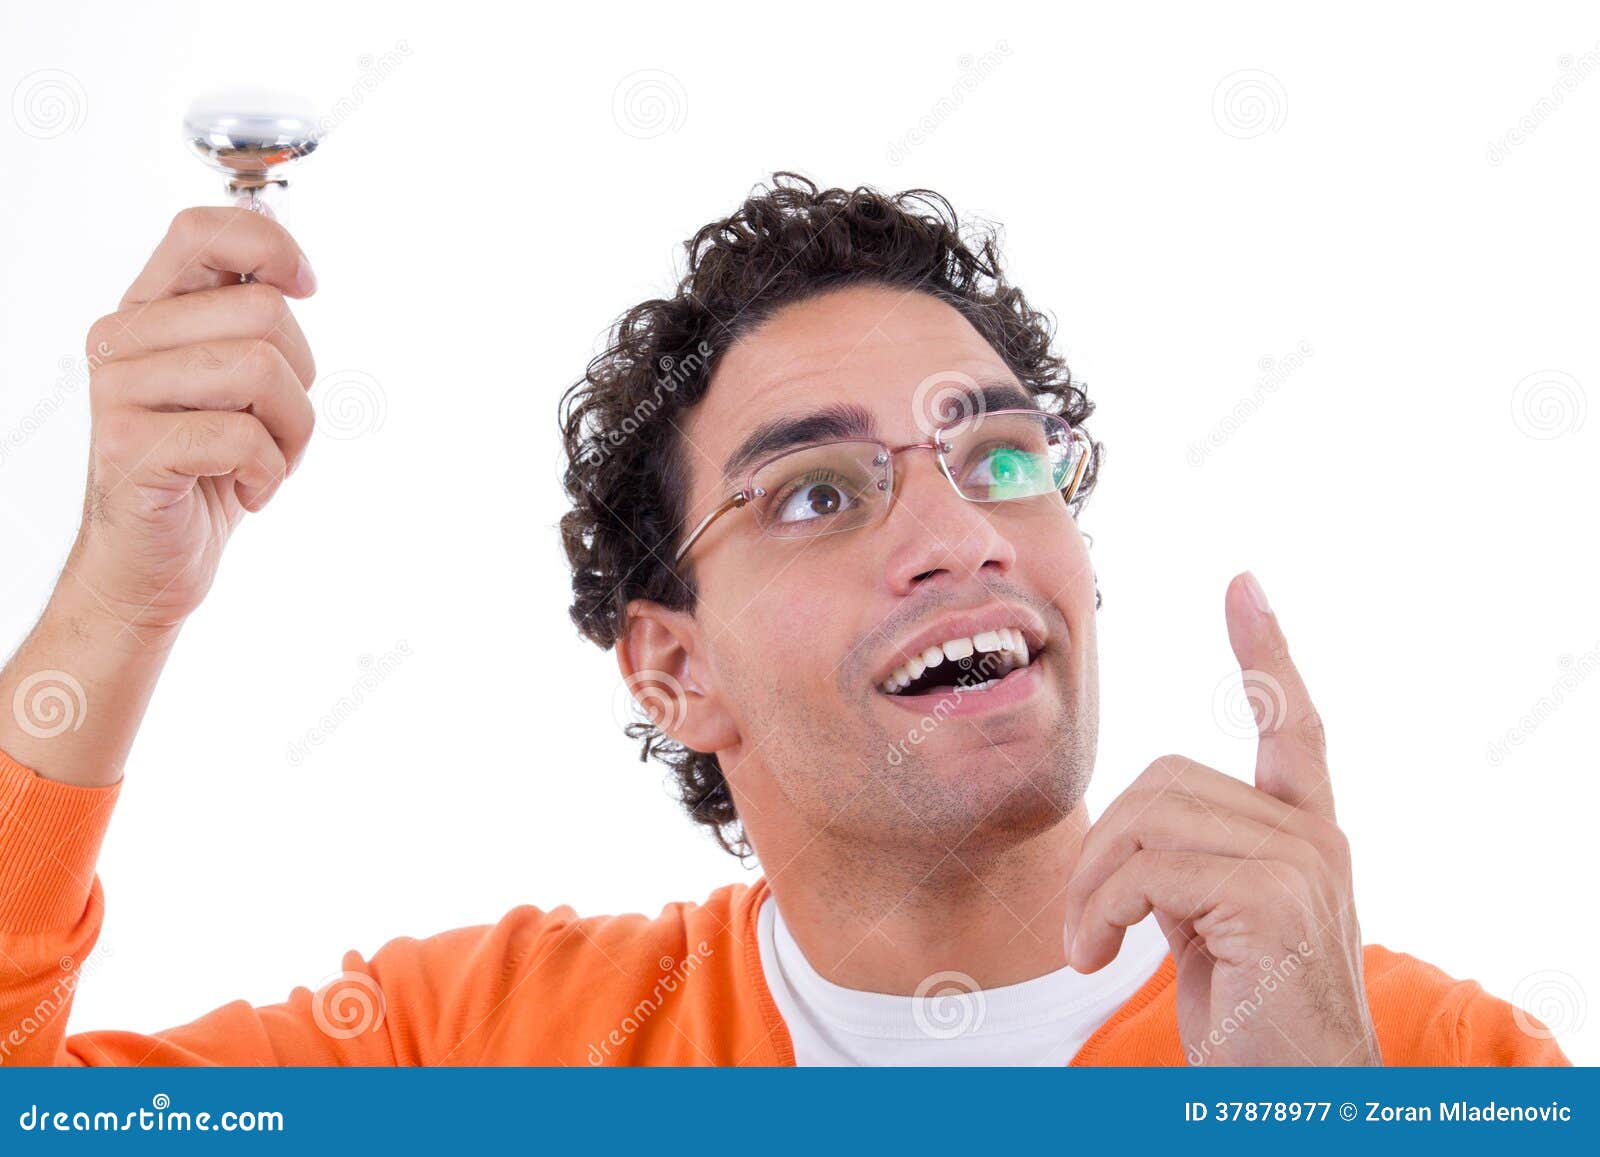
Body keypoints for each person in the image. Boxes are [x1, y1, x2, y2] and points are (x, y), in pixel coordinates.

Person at [0, 175, 1567, 1066]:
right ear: (676, 668)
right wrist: (118, 593)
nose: (961, 535)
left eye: (999, 457)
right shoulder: (478, 1047)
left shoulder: (1419, 1055)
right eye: (818, 491)